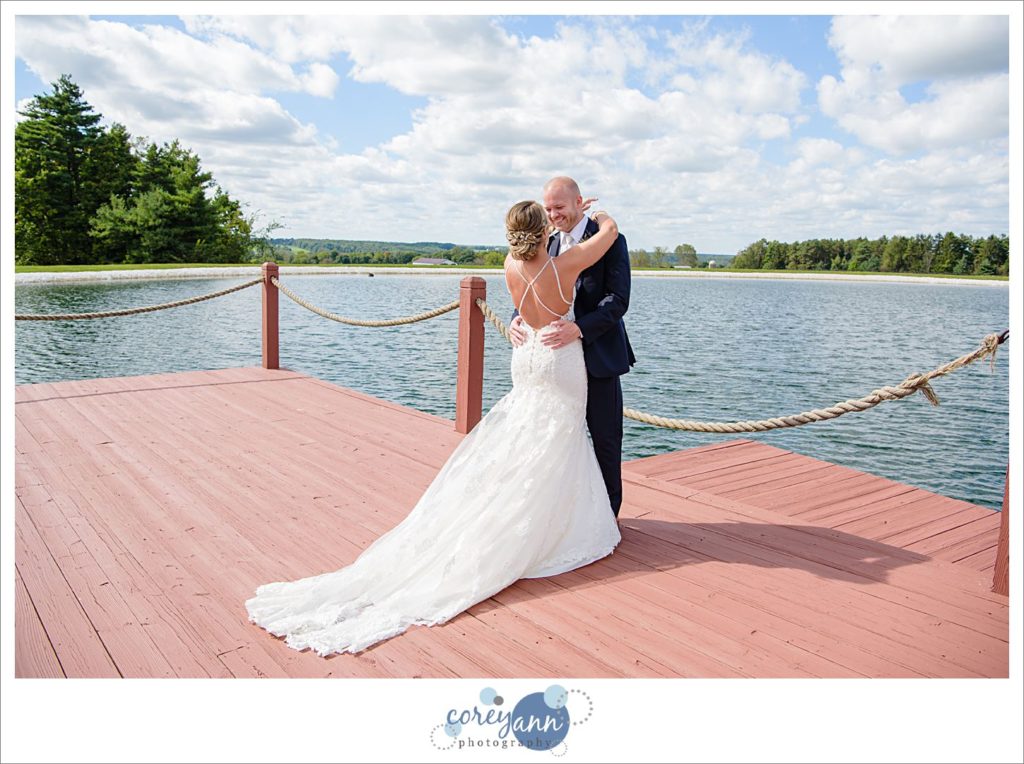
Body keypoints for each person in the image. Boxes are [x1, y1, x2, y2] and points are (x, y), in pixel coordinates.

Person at [245, 202, 623, 657]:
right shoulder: (565, 264)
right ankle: (544, 525)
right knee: (556, 439)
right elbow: (610, 232)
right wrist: (598, 216)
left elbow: (524, 306)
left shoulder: (508, 265)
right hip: (559, 360)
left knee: (526, 437)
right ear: (545, 231)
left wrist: (524, 313)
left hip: (525, 358)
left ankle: (520, 509)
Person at [509, 177, 636, 517]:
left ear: (579, 202)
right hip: (555, 361)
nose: (553, 215)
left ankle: (608, 516)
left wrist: (579, 329)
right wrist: (516, 318)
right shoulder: (544, 242)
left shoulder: (612, 242)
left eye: (559, 208)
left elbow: (617, 300)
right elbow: (528, 283)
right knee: (552, 438)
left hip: (597, 355)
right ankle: (559, 514)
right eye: (547, 209)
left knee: (606, 440)